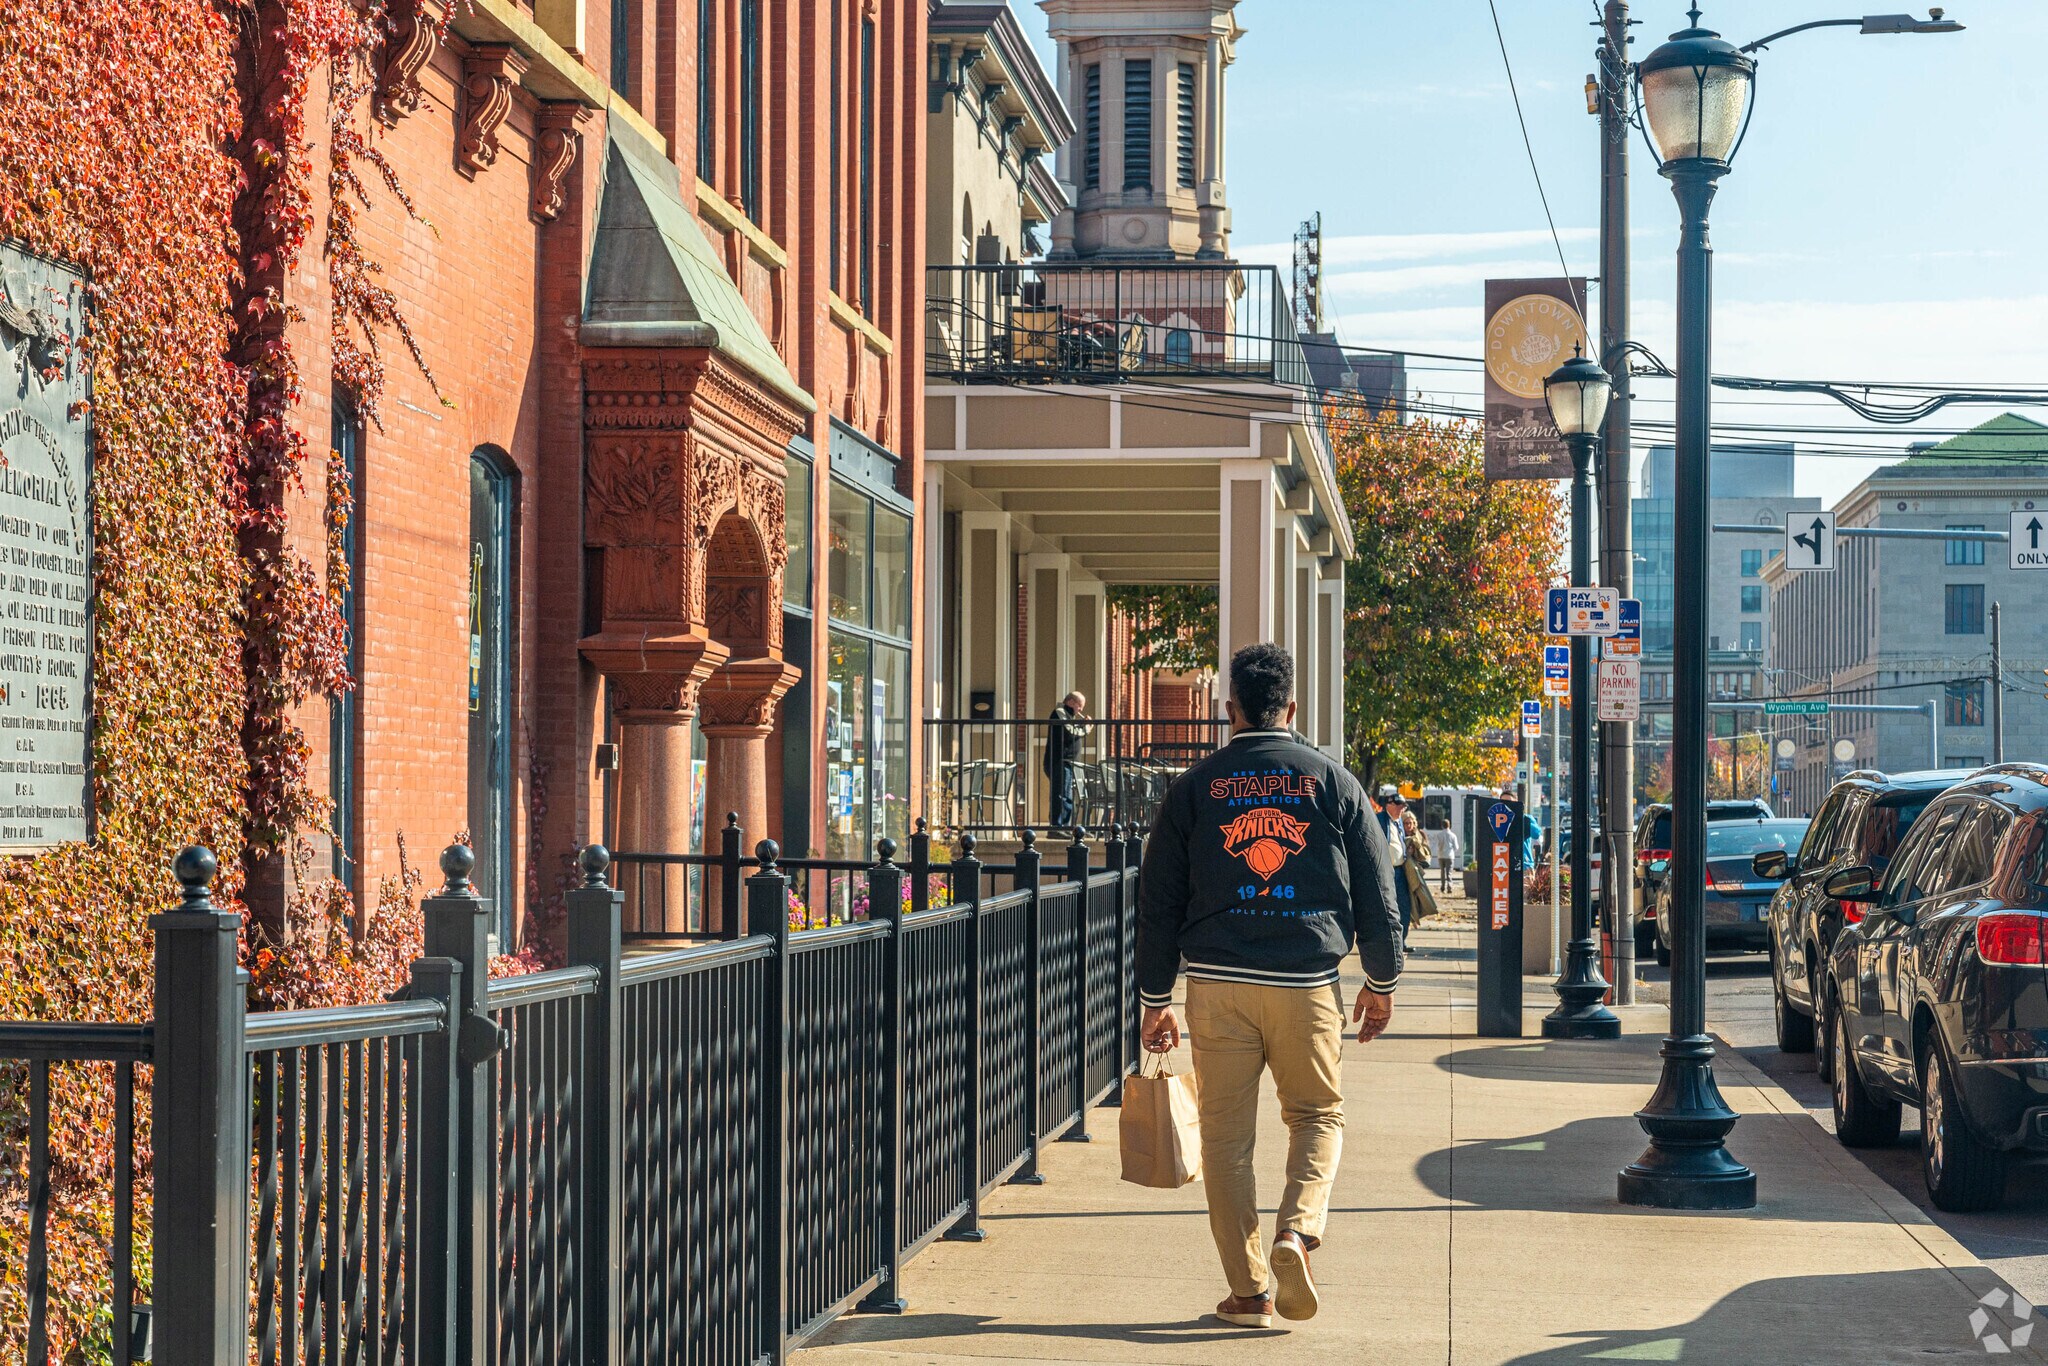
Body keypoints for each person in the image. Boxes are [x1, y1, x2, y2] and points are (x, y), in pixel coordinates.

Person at [1136, 643, 1403, 1332]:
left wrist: (1154, 998)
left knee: (1225, 1139)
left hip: (1218, 984)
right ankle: (1299, 1232)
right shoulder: (1333, 781)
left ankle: (1248, 1291)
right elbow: (1377, 890)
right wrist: (1381, 979)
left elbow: (1158, 900)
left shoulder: (1195, 787)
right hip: (1306, 982)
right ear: (1291, 708)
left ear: (1230, 710)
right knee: (1317, 1116)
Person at [1043, 691, 1088, 828]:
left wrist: (1082, 725)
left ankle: (1065, 826)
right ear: (1071, 702)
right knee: (1060, 795)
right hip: (1060, 762)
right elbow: (1069, 732)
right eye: (1079, 706)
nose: (1080, 710)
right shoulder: (1059, 712)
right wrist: (1085, 729)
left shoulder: (1067, 715)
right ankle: (1057, 827)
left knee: (1066, 796)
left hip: (1067, 763)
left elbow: (1072, 729)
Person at [1375, 786, 1414, 944]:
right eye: (1399, 806)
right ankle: (1387, 941)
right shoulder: (1379, 820)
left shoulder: (1399, 823)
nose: (1401, 810)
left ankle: (1401, 940)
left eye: (1403, 807)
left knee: (1404, 906)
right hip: (1385, 871)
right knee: (1386, 906)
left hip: (1400, 870)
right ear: (1389, 805)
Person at [1425, 815, 1461, 892]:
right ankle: (1449, 886)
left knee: (1442, 871)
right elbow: (1456, 847)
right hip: (1450, 855)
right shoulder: (1453, 835)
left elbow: (1436, 844)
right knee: (1449, 872)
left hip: (1441, 855)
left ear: (1442, 826)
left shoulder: (1439, 835)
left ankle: (1443, 886)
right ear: (1449, 825)